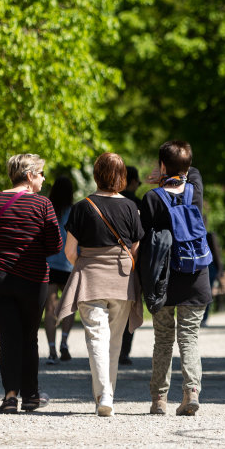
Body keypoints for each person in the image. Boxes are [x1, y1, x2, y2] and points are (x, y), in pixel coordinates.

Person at [0, 153, 63, 414]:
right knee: (29, 338)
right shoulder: (44, 205)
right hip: (33, 280)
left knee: (8, 339)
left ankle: (10, 397)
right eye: (41, 173)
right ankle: (31, 395)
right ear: (30, 175)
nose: (44, 179)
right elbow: (55, 245)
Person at [56, 153, 143, 417]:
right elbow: (136, 249)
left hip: (90, 277)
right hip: (121, 279)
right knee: (114, 342)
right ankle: (107, 394)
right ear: (122, 177)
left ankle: (104, 394)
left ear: (96, 175)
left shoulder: (82, 207)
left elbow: (69, 251)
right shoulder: (130, 207)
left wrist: (85, 263)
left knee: (96, 337)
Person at [139, 140, 211, 416]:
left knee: (163, 338)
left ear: (161, 166)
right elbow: (192, 172)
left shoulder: (152, 198)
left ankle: (159, 399)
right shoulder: (195, 190)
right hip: (196, 275)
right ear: (187, 166)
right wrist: (172, 171)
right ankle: (191, 391)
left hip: (164, 281)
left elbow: (145, 244)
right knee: (189, 337)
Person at [44, 176, 75, 364]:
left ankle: (51, 349)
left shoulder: (47, 210)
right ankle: (64, 341)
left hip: (49, 264)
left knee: (50, 308)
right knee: (70, 307)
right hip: (69, 264)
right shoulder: (74, 212)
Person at [118, 165, 141, 366]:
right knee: (130, 309)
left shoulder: (109, 200)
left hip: (107, 262)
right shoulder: (137, 204)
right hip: (132, 263)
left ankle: (112, 349)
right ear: (132, 181)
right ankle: (124, 351)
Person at [200, 231, 225, 327]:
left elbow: (216, 252)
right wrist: (220, 268)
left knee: (204, 294)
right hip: (210, 266)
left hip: (206, 266)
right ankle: (203, 318)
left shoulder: (194, 234)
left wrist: (219, 268)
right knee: (207, 293)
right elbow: (217, 253)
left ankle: (203, 317)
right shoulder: (210, 235)